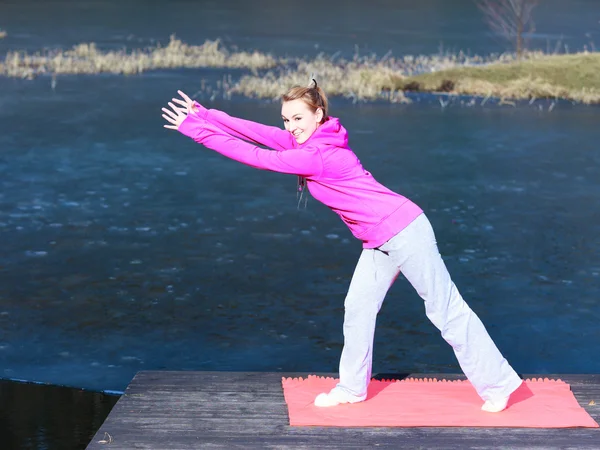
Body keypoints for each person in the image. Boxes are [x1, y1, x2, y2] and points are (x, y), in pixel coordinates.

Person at [161, 82, 523, 412]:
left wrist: (196, 131)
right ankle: (352, 388)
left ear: (319, 115)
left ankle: (499, 384)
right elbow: (261, 134)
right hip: (378, 238)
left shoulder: (317, 154)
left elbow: (260, 157)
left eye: (298, 118)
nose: (291, 127)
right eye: (287, 119)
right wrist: (205, 114)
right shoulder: (313, 142)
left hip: (405, 230)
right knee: (358, 307)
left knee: (444, 310)